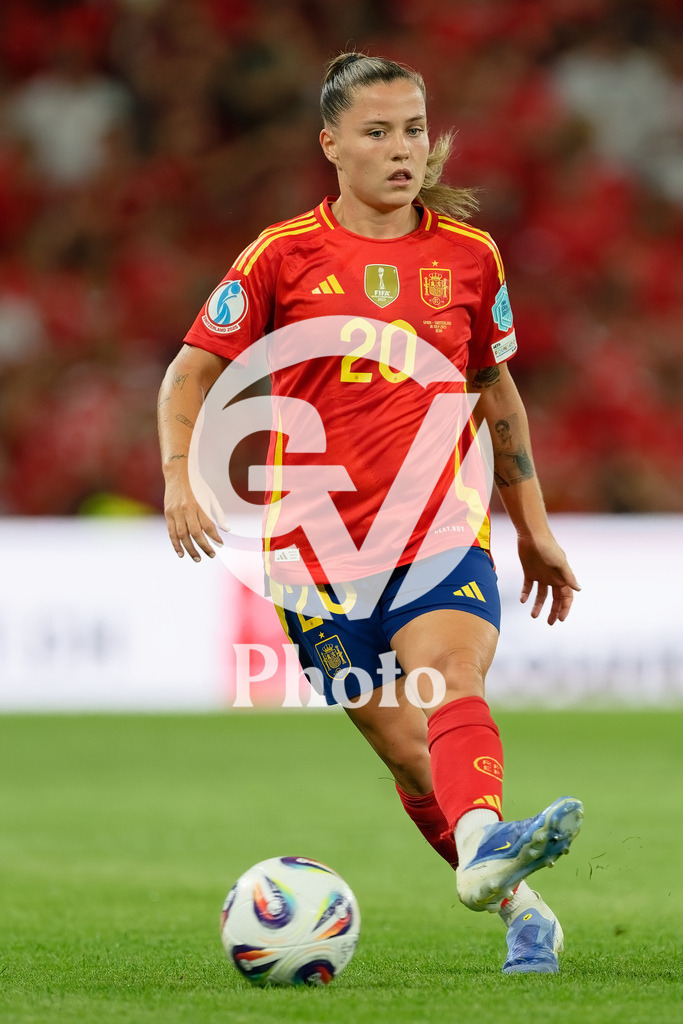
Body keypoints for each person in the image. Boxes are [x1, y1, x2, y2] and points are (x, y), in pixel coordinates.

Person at [158, 52, 583, 975]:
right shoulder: (280, 255)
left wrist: (532, 525)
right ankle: (512, 896)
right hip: (315, 560)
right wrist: (178, 478)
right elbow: (190, 371)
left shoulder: (471, 258)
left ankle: (482, 856)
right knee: (407, 751)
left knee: (452, 681)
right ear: (331, 144)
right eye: (379, 132)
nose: (404, 150)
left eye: (416, 130)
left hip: (440, 532)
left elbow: (497, 394)